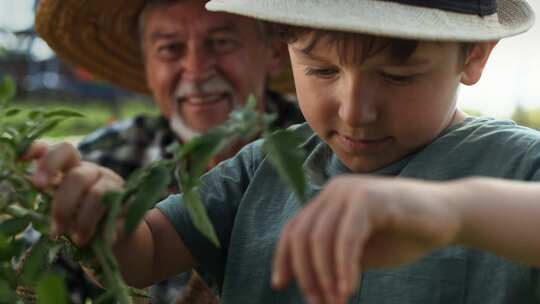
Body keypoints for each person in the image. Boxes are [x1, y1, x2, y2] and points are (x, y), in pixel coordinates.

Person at [27, 0, 540, 303]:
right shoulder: (265, 165)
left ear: (473, 57)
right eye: (321, 71)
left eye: (397, 76)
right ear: (286, 50)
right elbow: (146, 253)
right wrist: (105, 215)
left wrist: (455, 212)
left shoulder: (518, 166)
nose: (355, 110)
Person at [33, 0, 303, 302]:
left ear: (274, 53)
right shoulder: (103, 160)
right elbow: (37, 279)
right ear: (147, 65)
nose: (196, 70)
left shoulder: (328, 151)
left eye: (222, 42)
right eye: (171, 48)